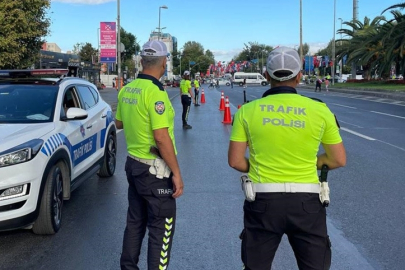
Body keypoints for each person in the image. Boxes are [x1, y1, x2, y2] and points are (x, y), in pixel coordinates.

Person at [228, 46, 346, 270]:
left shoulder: (247, 111)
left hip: (263, 202)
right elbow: (338, 159)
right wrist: (307, 163)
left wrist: (266, 164)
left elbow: (235, 161)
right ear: (299, 76)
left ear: (266, 76)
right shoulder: (320, 110)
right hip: (307, 204)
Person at [116, 40, 184, 270]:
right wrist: (176, 173)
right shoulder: (156, 94)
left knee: (135, 223)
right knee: (161, 229)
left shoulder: (127, 89)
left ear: (142, 61)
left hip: (133, 165)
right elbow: (161, 138)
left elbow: (119, 122)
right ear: (164, 63)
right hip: (155, 171)